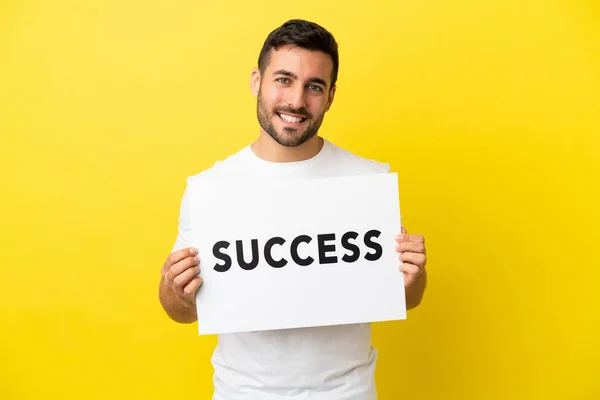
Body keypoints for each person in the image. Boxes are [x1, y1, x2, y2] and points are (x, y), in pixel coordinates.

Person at [159, 19, 428, 400]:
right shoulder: (210, 191)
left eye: (314, 86)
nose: (297, 101)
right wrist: (177, 288)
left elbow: (406, 296)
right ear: (257, 80)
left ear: (331, 96)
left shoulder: (367, 182)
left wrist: (414, 275)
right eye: (283, 79)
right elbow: (182, 311)